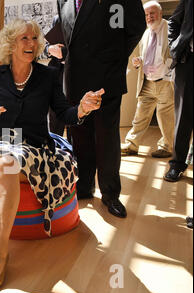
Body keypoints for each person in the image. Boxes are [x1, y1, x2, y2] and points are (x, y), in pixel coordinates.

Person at [0, 19, 103, 293]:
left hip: (33, 145)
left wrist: (83, 108)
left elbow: (64, 113)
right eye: (24, 38)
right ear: (11, 44)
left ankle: (0, 251)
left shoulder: (47, 76)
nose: (31, 43)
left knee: (7, 162)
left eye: (34, 38)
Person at [56, 0, 146, 218]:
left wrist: (115, 57)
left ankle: (110, 194)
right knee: (79, 135)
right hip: (75, 77)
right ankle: (84, 187)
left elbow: (136, 26)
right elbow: (66, 33)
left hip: (106, 76)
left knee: (107, 136)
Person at [122, 1, 175, 158]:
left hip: (166, 82)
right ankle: (132, 145)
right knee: (140, 115)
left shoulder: (170, 28)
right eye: (146, 15)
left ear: (160, 13)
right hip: (147, 81)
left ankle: (166, 146)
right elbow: (147, 56)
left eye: (152, 13)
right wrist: (139, 62)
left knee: (166, 117)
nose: (149, 17)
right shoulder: (145, 33)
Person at [164, 0, 193, 182]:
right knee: (183, 116)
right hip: (188, 62)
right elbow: (173, 22)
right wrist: (175, 46)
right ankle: (177, 164)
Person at [44, 15, 67, 136]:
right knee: (54, 121)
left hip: (76, 74)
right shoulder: (58, 19)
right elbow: (45, 46)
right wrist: (49, 49)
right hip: (56, 74)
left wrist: (65, 54)